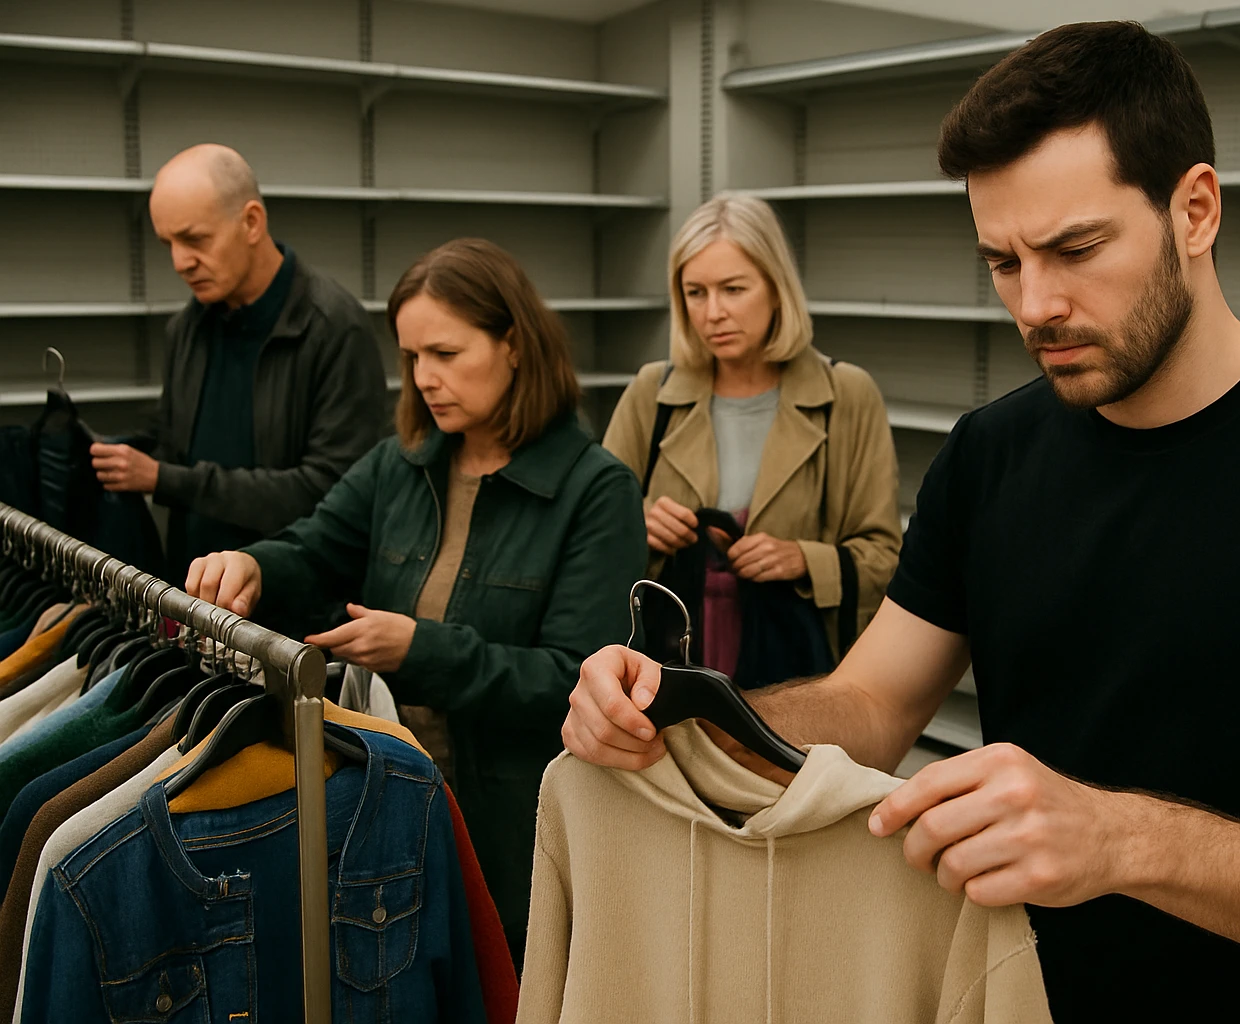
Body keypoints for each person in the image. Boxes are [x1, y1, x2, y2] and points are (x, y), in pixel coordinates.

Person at [561, 22, 1240, 1023]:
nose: (1037, 304)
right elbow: (871, 704)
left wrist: (1122, 840)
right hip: (991, 995)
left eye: (1076, 248)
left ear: (1196, 209)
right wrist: (691, 715)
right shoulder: (989, 453)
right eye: (1003, 261)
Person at [185, 237, 647, 967]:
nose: (424, 380)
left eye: (446, 354)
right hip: (394, 804)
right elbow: (314, 549)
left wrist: (419, 651)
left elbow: (573, 678)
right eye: (411, 359)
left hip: (516, 831)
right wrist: (253, 565)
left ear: (515, 346)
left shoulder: (597, 492)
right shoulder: (399, 465)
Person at [603, 194, 901, 683]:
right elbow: (592, 536)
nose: (713, 312)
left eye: (733, 289)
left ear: (777, 288)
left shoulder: (846, 395)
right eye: (695, 293)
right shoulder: (650, 394)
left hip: (796, 668)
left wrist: (803, 559)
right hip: (663, 667)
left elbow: (884, 561)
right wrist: (639, 526)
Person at [90, 144, 386, 583]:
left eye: (194, 239)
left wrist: (168, 480)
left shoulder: (334, 329)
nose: (179, 262)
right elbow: (175, 441)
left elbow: (332, 493)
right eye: (168, 243)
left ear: (251, 222)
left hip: (291, 615)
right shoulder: (187, 328)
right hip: (194, 600)